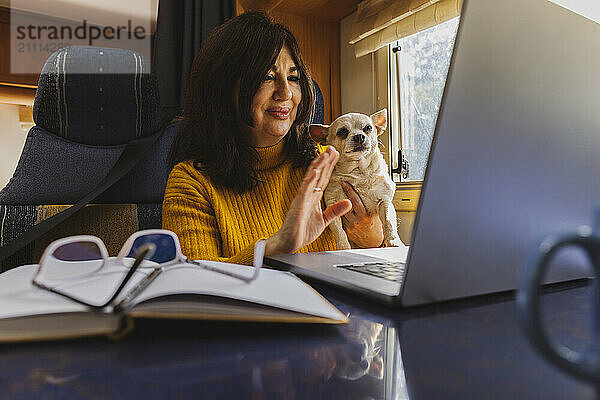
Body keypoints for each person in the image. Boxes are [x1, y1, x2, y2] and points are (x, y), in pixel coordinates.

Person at [162, 11, 384, 264]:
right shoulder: (191, 182)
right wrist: (275, 246)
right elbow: (192, 281)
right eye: (266, 77)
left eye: (293, 77)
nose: (285, 92)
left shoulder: (327, 165)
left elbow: (374, 253)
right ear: (224, 88)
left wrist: (372, 237)